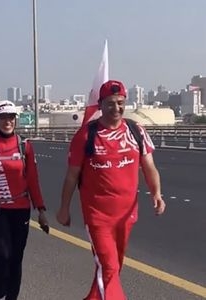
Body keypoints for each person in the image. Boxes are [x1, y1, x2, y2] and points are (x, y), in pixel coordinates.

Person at [56, 80, 166, 300]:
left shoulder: (136, 131)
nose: (116, 108)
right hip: (98, 217)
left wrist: (156, 194)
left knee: (113, 269)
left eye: (120, 103)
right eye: (110, 103)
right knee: (109, 268)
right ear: (101, 105)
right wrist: (64, 209)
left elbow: (149, 166)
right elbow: (71, 176)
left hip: (126, 215)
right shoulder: (86, 136)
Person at [0, 100, 49, 300]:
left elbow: (33, 180)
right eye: (3, 117)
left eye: (11, 117)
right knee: (2, 255)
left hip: (20, 207)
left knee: (16, 258)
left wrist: (41, 210)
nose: (7, 121)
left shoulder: (25, 146)